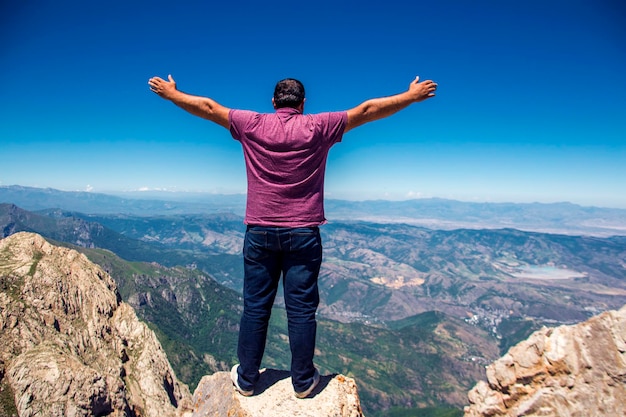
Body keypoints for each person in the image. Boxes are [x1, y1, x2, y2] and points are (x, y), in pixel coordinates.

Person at [148, 74, 437, 398]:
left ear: (273, 103)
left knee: (256, 307)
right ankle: (302, 382)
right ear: (302, 104)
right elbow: (368, 110)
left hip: (260, 232)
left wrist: (172, 94)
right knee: (301, 310)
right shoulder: (319, 126)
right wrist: (411, 96)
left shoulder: (251, 124)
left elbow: (207, 107)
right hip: (303, 232)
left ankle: (246, 380)